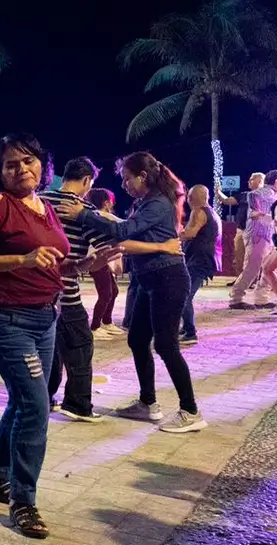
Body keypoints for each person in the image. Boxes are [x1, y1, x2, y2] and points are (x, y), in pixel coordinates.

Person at [56, 152, 203, 433]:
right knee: (137, 340)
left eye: (126, 178)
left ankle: (190, 410)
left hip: (167, 279)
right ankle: (148, 403)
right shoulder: (145, 202)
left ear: (143, 177)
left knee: (166, 345)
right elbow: (131, 238)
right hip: (150, 280)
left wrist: (84, 214)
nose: (123, 184)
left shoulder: (159, 202)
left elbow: (126, 230)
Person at [0, 134, 70, 540]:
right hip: (8, 321)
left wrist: (83, 261)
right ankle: (23, 501)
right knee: (34, 405)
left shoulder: (44, 206)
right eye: (11, 165)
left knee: (26, 399)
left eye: (28, 161)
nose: (21, 170)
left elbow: (53, 256)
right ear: (0, 171)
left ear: (41, 164)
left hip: (45, 318)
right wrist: (22, 259)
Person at [39, 158, 122, 423]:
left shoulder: (39, 200)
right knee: (80, 346)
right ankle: (77, 403)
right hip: (67, 289)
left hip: (38, 291)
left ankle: (45, 397)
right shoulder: (82, 208)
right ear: (87, 181)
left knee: (50, 347)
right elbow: (105, 246)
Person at [227, 170, 277, 309]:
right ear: (275, 180)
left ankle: (261, 298)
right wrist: (273, 219)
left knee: (270, 268)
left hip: (270, 236)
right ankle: (236, 299)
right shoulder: (258, 194)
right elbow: (254, 214)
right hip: (259, 235)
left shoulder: (274, 194)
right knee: (253, 268)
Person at [179, 184, 221, 345]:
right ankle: (185, 328)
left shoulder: (198, 211)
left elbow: (191, 233)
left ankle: (190, 332)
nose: (187, 200)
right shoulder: (211, 212)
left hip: (199, 260)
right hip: (202, 259)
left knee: (184, 295)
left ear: (191, 198)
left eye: (189, 196)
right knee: (184, 293)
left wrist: (174, 232)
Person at [86, 188, 124, 340]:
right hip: (96, 259)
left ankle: (106, 321)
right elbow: (126, 225)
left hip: (102, 259)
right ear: (106, 203)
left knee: (113, 291)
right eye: (111, 202)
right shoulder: (103, 215)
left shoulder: (97, 216)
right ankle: (95, 326)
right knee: (106, 293)